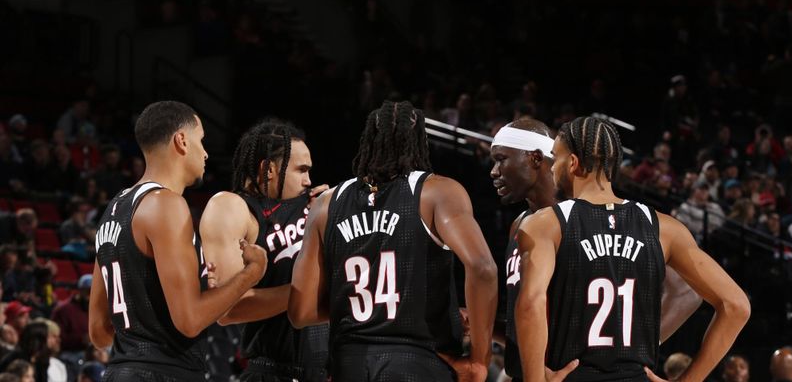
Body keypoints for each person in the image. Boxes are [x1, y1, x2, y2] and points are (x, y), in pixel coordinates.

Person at [515, 116, 750, 382]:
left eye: (555, 158)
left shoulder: (546, 223)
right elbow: (736, 306)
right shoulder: (664, 228)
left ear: (572, 163)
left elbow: (531, 303)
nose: (552, 168)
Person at [289, 100, 498, 382]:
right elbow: (483, 268)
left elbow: (300, 312)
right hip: (418, 359)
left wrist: (368, 310)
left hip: (347, 363)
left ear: (367, 141)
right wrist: (479, 358)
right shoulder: (437, 192)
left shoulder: (326, 204)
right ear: (420, 142)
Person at [89, 101, 267, 381]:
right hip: (164, 373)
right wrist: (251, 273)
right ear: (181, 141)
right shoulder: (167, 205)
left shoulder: (113, 210)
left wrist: (144, 327)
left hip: (119, 371)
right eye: (201, 140)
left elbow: (98, 332)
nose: (206, 153)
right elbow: (190, 321)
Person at [200, 118, 329, 381]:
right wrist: (315, 292)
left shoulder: (316, 206)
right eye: (301, 170)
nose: (309, 180)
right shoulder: (234, 208)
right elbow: (227, 310)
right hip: (273, 371)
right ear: (269, 169)